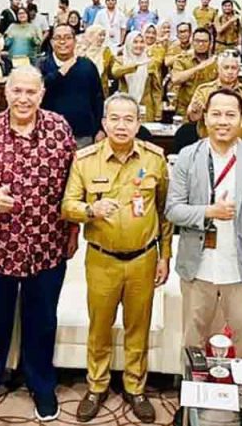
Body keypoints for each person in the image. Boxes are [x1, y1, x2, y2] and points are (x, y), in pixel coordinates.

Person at [0, 66, 77, 422]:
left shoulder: (59, 128)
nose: (23, 98)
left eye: (30, 92)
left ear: (42, 94)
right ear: (6, 92)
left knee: (42, 322)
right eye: (17, 91)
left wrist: (73, 232)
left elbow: (74, 184)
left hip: (47, 247)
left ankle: (41, 385)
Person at [165, 87, 242, 412]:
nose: (223, 121)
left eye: (230, 114)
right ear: (205, 117)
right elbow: (173, 209)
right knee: (193, 338)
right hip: (197, 266)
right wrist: (208, 212)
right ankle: (193, 398)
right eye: (216, 114)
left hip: (241, 270)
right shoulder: (188, 156)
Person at [62, 93, 171, 423]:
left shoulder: (155, 159)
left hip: (143, 260)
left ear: (138, 124)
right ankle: (96, 386)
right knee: (100, 328)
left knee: (139, 328)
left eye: (128, 119)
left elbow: (164, 212)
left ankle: (136, 388)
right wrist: (90, 209)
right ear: (104, 122)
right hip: (102, 260)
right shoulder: (85, 160)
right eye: (115, 119)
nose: (121, 125)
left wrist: (165, 255)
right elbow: (67, 206)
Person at [39, 24, 104, 147]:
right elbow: (40, 90)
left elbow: (98, 98)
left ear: (75, 41)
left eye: (67, 37)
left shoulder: (87, 66)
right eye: (58, 38)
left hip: (83, 135)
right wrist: (61, 72)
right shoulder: (42, 65)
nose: (62, 42)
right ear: (51, 42)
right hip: (49, 134)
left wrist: (100, 129)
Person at [187, 52, 242, 150]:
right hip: (208, 148)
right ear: (218, 69)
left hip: (238, 149)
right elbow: (192, 118)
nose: (230, 72)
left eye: (233, 68)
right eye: (226, 68)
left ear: (239, 70)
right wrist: (195, 112)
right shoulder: (204, 91)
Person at [112, 31, 165, 122]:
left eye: (141, 42)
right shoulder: (121, 61)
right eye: (135, 42)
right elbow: (115, 72)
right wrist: (134, 66)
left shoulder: (150, 62)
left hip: (146, 108)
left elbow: (156, 90)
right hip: (125, 106)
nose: (139, 45)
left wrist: (158, 112)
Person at [170, 27, 218, 115]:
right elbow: (175, 79)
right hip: (185, 109)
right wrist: (198, 67)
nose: (201, 44)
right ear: (192, 42)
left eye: (204, 41)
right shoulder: (183, 60)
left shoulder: (216, 62)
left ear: (210, 43)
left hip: (209, 110)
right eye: (197, 41)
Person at [78, 25, 114, 95]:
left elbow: (112, 71)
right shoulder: (81, 51)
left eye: (104, 35)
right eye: (100, 35)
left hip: (101, 89)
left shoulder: (106, 51)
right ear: (91, 36)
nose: (102, 38)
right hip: (83, 88)